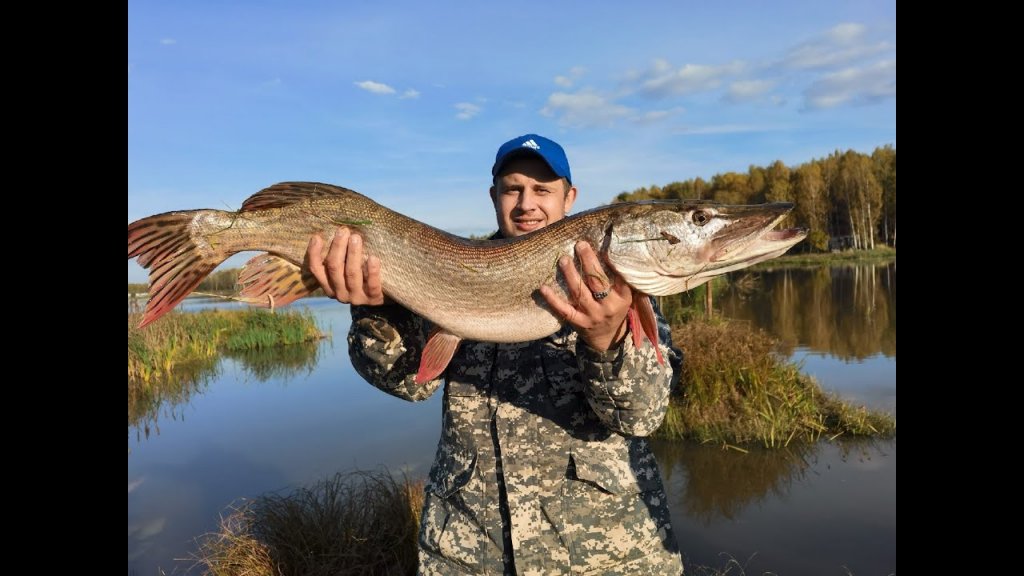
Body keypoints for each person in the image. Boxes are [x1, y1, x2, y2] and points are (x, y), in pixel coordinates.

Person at [306, 134, 684, 575]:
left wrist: (606, 341)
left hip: (605, 556)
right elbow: (409, 381)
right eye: (513, 189)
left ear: (571, 198)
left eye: (543, 190)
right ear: (494, 197)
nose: (527, 203)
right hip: (469, 553)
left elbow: (641, 417)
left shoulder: (623, 292)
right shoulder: (443, 268)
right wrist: (372, 308)